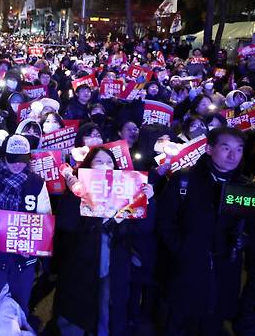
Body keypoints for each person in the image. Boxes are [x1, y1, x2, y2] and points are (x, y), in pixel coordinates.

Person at [158, 127, 248, 335]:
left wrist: (243, 241)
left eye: (239, 149)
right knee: (178, 323)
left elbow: (250, 226)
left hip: (224, 270)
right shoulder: (185, 180)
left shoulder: (244, 187)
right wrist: (182, 249)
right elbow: (165, 221)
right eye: (226, 148)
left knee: (212, 325)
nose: (232, 155)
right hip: (186, 269)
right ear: (209, 148)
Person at [55, 147, 154, 335]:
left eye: (109, 162)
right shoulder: (77, 190)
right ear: (88, 166)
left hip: (114, 261)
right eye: (99, 162)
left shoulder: (127, 191)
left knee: (108, 308)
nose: (105, 166)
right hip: (83, 262)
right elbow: (66, 224)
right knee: (78, 308)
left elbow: (144, 228)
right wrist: (74, 195)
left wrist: (147, 200)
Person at [0, 134, 52, 322]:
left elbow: (45, 218)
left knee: (20, 306)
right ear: (4, 156)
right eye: (12, 160)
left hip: (24, 259)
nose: (18, 165)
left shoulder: (37, 184)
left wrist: (35, 245)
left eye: (22, 160)